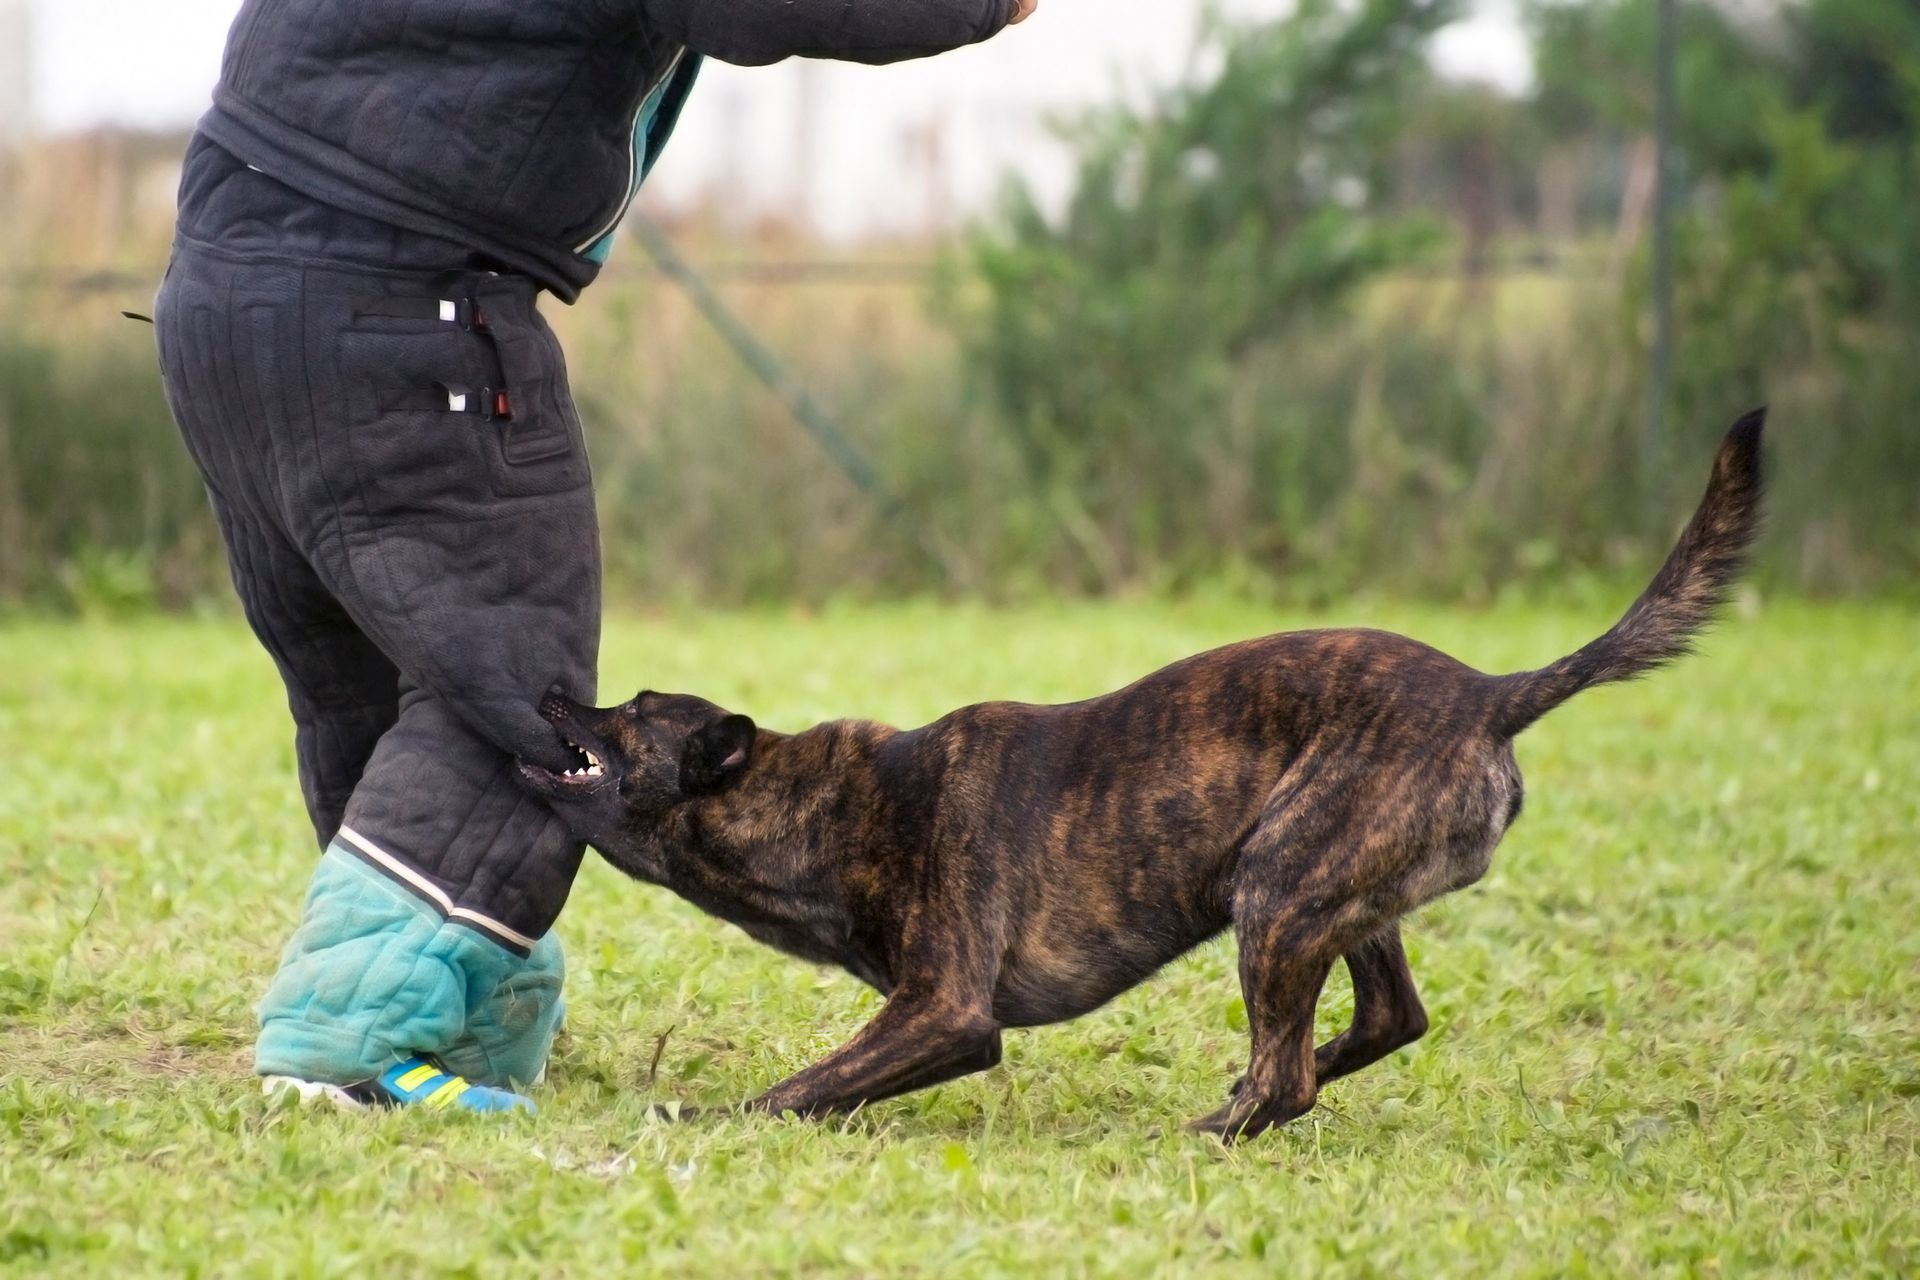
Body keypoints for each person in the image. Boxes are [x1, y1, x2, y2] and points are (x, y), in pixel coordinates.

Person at [154, 0, 1039, 1113]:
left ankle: (463, 1008)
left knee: (363, 680)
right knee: (527, 700)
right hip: (404, 309)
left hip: (223, 293)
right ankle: (352, 1043)